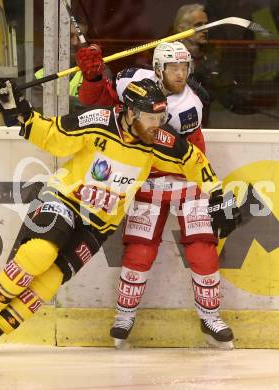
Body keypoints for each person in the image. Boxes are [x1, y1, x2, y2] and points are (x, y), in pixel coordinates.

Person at [0, 78, 240, 354]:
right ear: (131, 113)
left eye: (161, 117)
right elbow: (53, 136)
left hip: (100, 223)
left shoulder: (158, 140)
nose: (157, 125)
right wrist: (20, 112)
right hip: (66, 199)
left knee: (53, 278)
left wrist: (218, 195)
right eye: (150, 117)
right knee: (40, 253)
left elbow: (193, 160)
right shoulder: (97, 120)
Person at [76, 41, 237, 349]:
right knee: (139, 250)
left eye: (184, 68)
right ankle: (124, 315)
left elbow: (189, 154)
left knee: (203, 248)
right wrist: (94, 78)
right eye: (173, 68)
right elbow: (94, 102)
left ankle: (210, 317)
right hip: (147, 182)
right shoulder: (131, 81)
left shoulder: (191, 105)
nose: (180, 74)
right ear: (158, 69)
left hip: (187, 182)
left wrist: (214, 190)